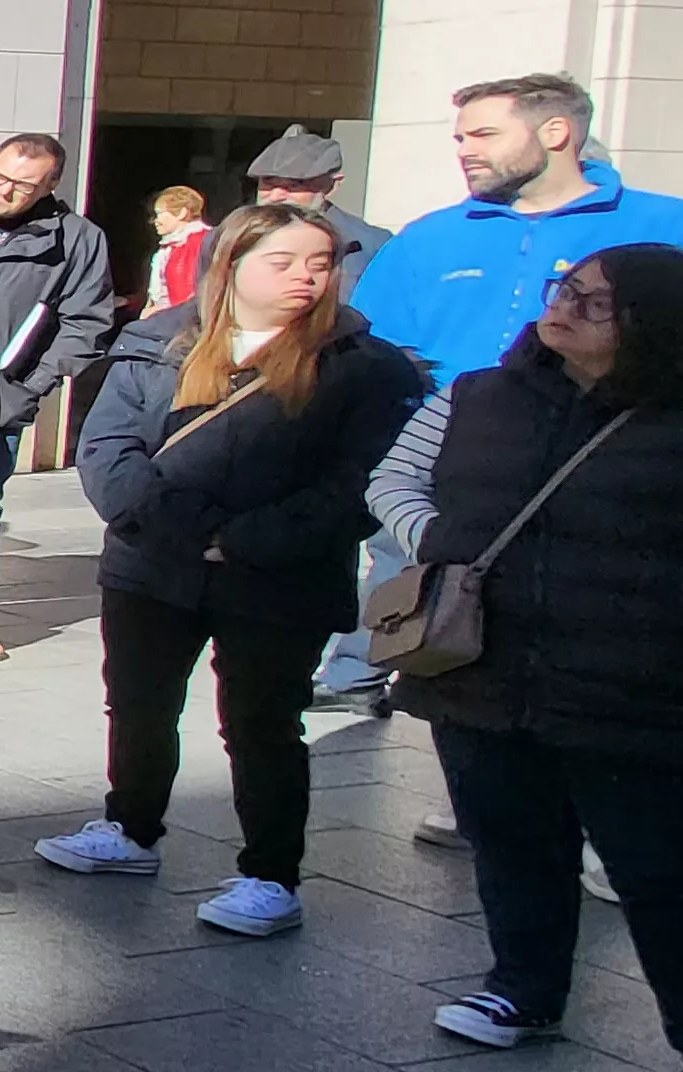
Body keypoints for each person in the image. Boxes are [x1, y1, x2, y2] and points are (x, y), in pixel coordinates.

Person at [37, 204, 422, 938]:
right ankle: (131, 830)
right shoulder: (156, 341)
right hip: (153, 567)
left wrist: (246, 539)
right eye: (284, 262)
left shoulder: (364, 365)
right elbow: (109, 450)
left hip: (281, 578)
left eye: (322, 263)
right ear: (230, 266)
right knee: (140, 703)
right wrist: (180, 532)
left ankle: (271, 875)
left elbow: (358, 482)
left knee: (261, 724)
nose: (307, 278)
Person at [365, 243, 683, 1051]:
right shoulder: (477, 395)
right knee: (509, 842)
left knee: (653, 866)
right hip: (480, 666)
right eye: (564, 289)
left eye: (594, 302)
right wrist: (439, 539)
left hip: (633, 682)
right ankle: (523, 990)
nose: (564, 308)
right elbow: (390, 480)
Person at [336, 76, 683, 744]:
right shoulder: (430, 237)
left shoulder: (661, 226)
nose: (465, 150)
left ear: (556, 133)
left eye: (484, 134)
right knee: (452, 653)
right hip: (449, 479)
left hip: (614, 487)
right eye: (461, 136)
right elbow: (373, 347)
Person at [0, 133, 119, 660]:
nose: (3, 192)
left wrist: (31, 381)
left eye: (22, 186)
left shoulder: (77, 239)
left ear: (50, 185)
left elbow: (87, 323)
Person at [243, 125, 388, 294]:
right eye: (267, 183)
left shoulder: (371, 245)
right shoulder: (229, 237)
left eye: (293, 185)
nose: (275, 196)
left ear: (331, 186)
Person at [143, 187, 209, 316]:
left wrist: (158, 312)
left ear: (182, 213)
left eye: (159, 213)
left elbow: (187, 297)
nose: (154, 221)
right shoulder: (172, 245)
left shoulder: (196, 244)